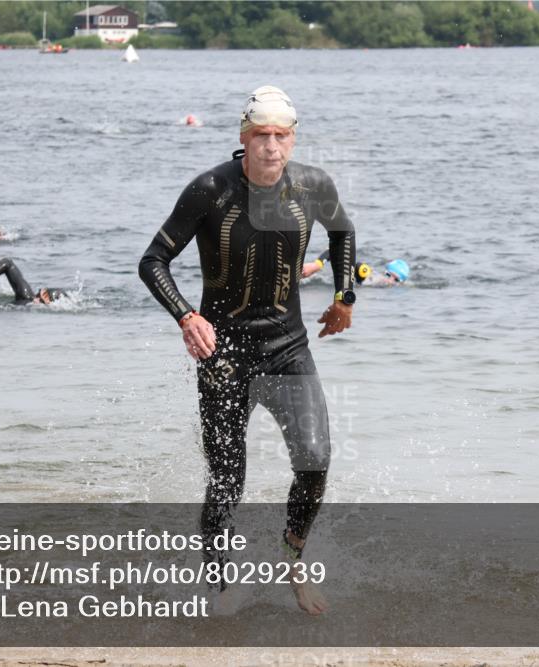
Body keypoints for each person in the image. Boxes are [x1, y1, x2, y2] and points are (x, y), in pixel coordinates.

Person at [138, 85, 356, 616]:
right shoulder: (210, 189)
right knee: (227, 479)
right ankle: (219, 588)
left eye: (282, 136)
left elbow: (342, 233)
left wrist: (345, 295)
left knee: (315, 460)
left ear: (293, 139)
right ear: (245, 138)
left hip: (288, 348)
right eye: (262, 135)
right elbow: (152, 261)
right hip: (225, 355)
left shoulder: (312, 185)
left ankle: (293, 558)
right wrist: (187, 317)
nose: (272, 147)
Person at [0, 257, 67, 304]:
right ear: (42, 293)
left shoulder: (27, 299)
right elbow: (7, 263)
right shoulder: (26, 296)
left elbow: (7, 263)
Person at [303, 251, 409, 286]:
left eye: (396, 280)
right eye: (388, 275)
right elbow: (334, 250)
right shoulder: (364, 273)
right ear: (384, 272)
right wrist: (317, 265)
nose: (390, 281)